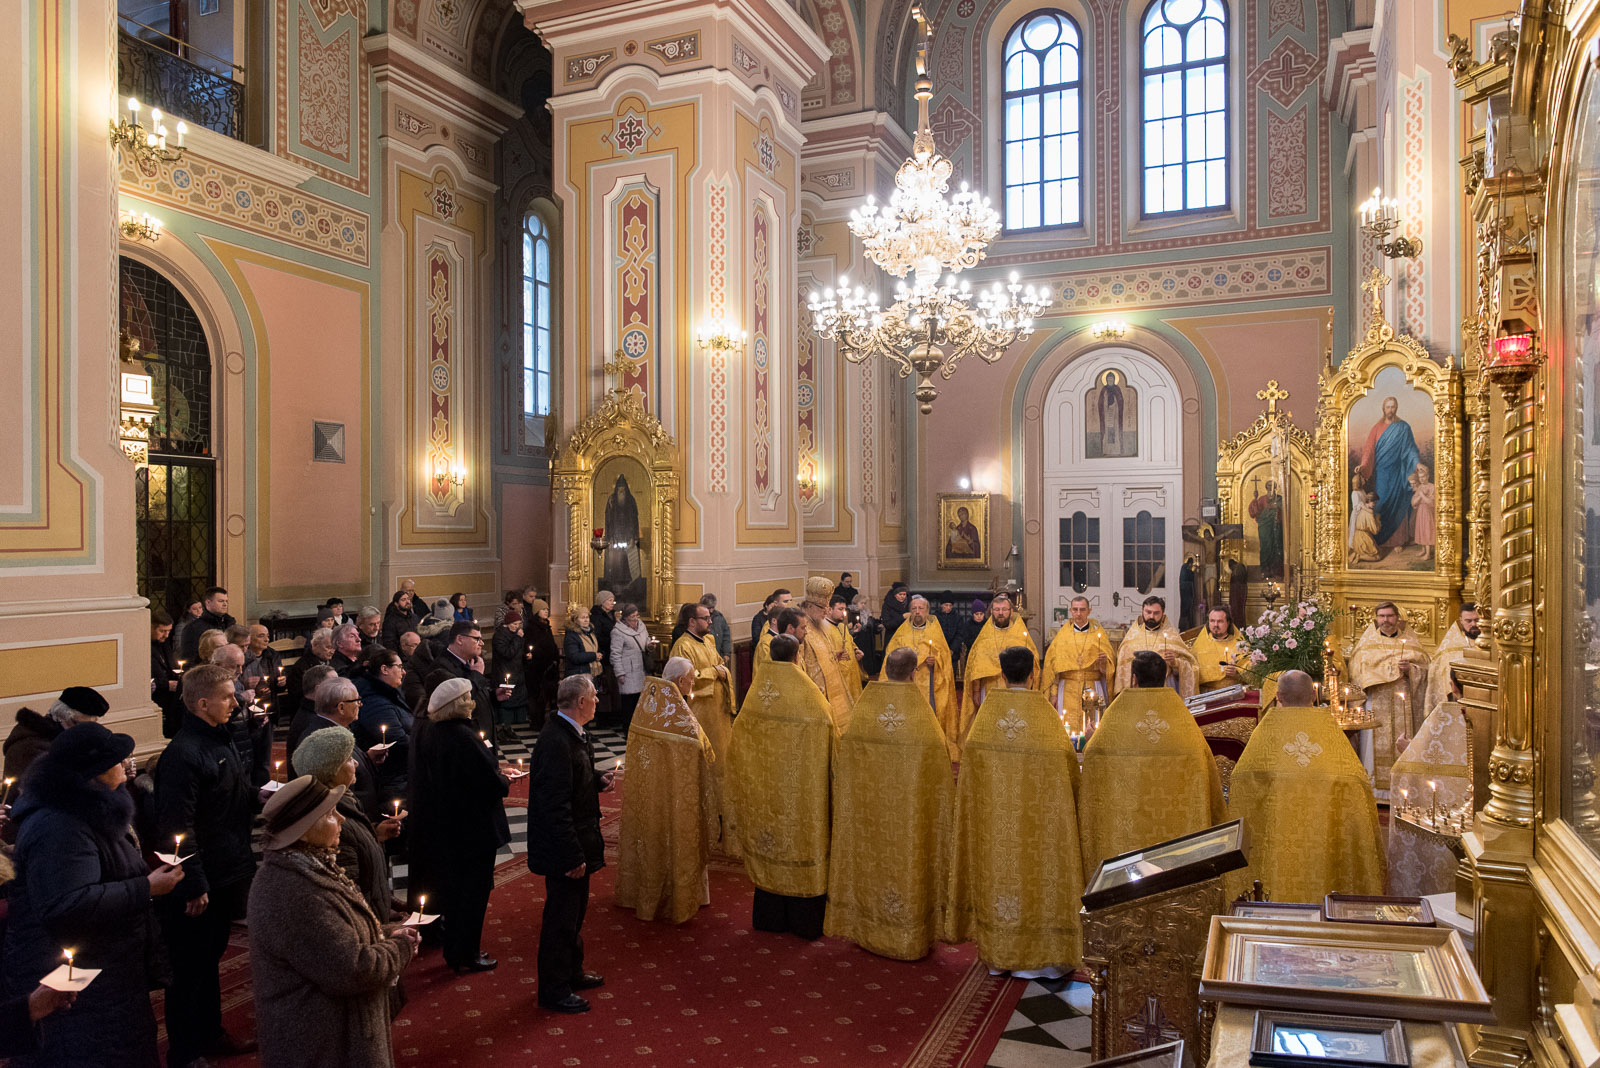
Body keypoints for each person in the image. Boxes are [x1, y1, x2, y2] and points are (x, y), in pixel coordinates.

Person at [2, 723, 185, 1067]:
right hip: (78, 983)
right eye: (118, 761)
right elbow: (67, 904)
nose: (126, 765)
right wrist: (146, 887)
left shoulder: (88, 809)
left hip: (106, 968)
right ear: (94, 774)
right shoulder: (60, 825)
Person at [248, 776, 419, 1068]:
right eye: (329, 814)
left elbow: (338, 935)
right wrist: (400, 947)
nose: (340, 818)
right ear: (303, 829)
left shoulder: (312, 866)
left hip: (335, 1032)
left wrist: (384, 933)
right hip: (322, 1043)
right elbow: (352, 970)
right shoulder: (293, 891)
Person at [947, 646, 1085, 977]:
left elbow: (969, 773)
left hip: (997, 824)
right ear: (1034, 673)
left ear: (1002, 673)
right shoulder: (1045, 718)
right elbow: (1069, 768)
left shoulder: (986, 720)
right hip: (1042, 824)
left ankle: (1001, 953)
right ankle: (1048, 959)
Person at [155, 663, 259, 1067]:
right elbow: (177, 827)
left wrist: (259, 798)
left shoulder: (219, 739)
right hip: (201, 877)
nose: (236, 702)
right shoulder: (183, 754)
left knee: (209, 959)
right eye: (228, 697)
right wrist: (192, 882)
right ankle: (185, 1051)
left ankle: (210, 1033)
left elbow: (230, 795)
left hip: (228, 865)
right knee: (189, 968)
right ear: (202, 703)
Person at [826, 648, 952, 960]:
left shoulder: (866, 709)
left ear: (887, 668)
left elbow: (848, 760)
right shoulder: (921, 715)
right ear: (913, 673)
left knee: (873, 860)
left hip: (872, 812)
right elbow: (939, 771)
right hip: (910, 815)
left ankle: (868, 929)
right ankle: (908, 935)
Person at [1225, 671, 1385, 903]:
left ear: (1278, 696)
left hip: (1278, 848)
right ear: (1313, 695)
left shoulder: (1267, 731)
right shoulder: (1330, 732)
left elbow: (1241, 781)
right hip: (1326, 847)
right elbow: (1357, 783)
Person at [1079, 651, 1226, 876]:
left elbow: (1095, 759)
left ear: (1134, 679)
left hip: (1127, 841)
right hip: (1177, 845)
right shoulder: (1181, 718)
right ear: (1165, 677)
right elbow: (1205, 764)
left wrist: (1090, 742)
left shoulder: (1119, 714)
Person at [730, 635, 832, 939]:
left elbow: (739, 738)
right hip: (803, 792)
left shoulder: (757, 692)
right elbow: (829, 733)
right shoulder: (808, 693)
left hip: (765, 791)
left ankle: (769, 918)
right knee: (801, 843)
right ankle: (804, 924)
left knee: (770, 843)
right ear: (797, 656)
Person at [408, 677, 510, 974]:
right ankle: (467, 953)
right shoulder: (464, 738)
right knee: (473, 893)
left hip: (450, 825)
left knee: (455, 892)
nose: (472, 703)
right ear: (456, 706)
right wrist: (503, 778)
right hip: (473, 827)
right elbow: (492, 783)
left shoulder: (433, 732)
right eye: (467, 699)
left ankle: (456, 949)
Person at [527, 675, 609, 1012]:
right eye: (593, 696)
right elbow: (555, 805)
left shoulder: (573, 735)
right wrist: (573, 855)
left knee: (575, 916)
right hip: (564, 849)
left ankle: (571, 971)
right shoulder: (556, 742)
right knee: (560, 920)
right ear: (579, 702)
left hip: (578, 841)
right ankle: (554, 989)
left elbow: (574, 784)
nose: (597, 701)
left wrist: (596, 782)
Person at [615, 660, 717, 924]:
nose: (693, 683)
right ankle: (676, 896)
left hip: (648, 792)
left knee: (650, 837)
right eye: (691, 679)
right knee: (675, 835)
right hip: (674, 794)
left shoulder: (649, 700)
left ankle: (641, 892)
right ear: (681, 681)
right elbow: (700, 747)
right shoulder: (676, 714)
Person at [291, 728, 406, 925]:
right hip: (362, 922)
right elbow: (349, 888)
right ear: (332, 770)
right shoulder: (331, 818)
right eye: (349, 759)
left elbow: (359, 853)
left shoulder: (346, 800)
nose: (356, 763)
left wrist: (375, 834)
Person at [669, 602, 739, 854]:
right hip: (700, 713)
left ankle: (722, 813)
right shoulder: (682, 646)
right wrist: (714, 672)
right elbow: (684, 681)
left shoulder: (709, 641)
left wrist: (719, 671)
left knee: (723, 763)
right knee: (708, 764)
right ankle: (707, 815)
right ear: (691, 622)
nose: (710, 622)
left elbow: (722, 666)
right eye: (705, 618)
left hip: (718, 711)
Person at [1348, 601, 1429, 799]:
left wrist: (1411, 670)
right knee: (1372, 748)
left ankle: (1404, 791)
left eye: (1390, 616)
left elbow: (1428, 673)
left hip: (1403, 704)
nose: (1386, 620)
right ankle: (1376, 792)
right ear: (1376, 619)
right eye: (1382, 616)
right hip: (1375, 702)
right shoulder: (1365, 647)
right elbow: (1356, 674)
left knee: (1403, 739)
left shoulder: (1412, 644)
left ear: (1397, 618)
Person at [289, 676, 384, 817]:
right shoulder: (324, 740)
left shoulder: (335, 730)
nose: (360, 704)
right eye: (356, 700)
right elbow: (336, 792)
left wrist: (366, 759)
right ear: (341, 707)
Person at [882, 595, 958, 757]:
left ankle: (929, 745)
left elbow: (945, 659)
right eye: (914, 609)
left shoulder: (935, 632)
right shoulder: (901, 633)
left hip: (929, 683)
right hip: (906, 685)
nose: (917, 612)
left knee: (928, 715)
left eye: (920, 609)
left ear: (927, 612)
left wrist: (935, 661)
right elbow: (890, 657)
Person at [958, 594, 1037, 748]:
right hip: (989, 689)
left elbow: (1033, 664)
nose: (1000, 613)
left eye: (1004, 610)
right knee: (992, 726)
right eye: (997, 610)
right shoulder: (984, 636)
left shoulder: (1021, 635)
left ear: (1011, 612)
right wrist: (975, 691)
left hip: (1016, 689)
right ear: (991, 612)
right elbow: (976, 664)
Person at [3, 687, 107, 791]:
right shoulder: (29, 747)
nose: (85, 731)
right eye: (79, 724)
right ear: (61, 717)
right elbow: (57, 789)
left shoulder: (69, 737)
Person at [1038, 596, 1114, 731]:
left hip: (1093, 686)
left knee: (1093, 728)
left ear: (1089, 611)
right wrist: (1054, 694)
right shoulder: (1062, 636)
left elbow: (1109, 669)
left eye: (1082, 610)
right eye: (1075, 610)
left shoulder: (1098, 634)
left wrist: (1103, 663)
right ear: (1070, 611)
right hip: (1067, 688)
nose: (1078, 614)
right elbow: (1054, 668)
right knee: (1067, 727)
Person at [422, 621, 505, 746]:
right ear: (460, 639)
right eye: (477, 639)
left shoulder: (468, 663)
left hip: (479, 734)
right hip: (464, 740)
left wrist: (493, 696)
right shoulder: (441, 667)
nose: (481, 643)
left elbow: (474, 695)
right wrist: (477, 674)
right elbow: (458, 702)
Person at [1357, 394, 1421, 548]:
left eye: (1393, 407)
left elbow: (1410, 449)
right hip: (1383, 473)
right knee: (1382, 502)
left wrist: (1417, 464)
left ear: (1396, 408)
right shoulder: (1376, 428)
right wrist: (1363, 465)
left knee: (1398, 503)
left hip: (1398, 472)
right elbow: (1369, 450)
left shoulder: (1403, 427)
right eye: (1388, 407)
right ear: (1383, 409)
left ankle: (1398, 541)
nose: (1390, 410)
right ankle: (1381, 539)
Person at [798, 576, 855, 733]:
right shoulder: (801, 629)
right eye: (822, 607)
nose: (827, 611)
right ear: (809, 606)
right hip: (817, 693)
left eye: (828, 606)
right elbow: (799, 663)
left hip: (834, 688)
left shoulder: (820, 626)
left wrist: (834, 656)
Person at [1112, 595, 1200, 697]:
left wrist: (1175, 663)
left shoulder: (1172, 637)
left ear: (1163, 614)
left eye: (1156, 613)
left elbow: (1191, 667)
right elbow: (1122, 668)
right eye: (1148, 612)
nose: (1151, 616)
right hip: (1137, 692)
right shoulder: (1132, 638)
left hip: (1164, 689)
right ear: (1142, 611)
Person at [353, 647, 413, 794]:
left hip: (400, 774)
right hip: (393, 777)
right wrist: (427, 742)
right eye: (399, 667)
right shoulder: (374, 700)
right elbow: (397, 740)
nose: (403, 672)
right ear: (384, 669)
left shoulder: (388, 692)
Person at [1423, 604, 1482, 724]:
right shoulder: (1450, 646)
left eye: (1476, 620)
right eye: (1468, 621)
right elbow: (1439, 674)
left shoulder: (1491, 643)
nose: (1473, 624)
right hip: (1456, 701)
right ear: (1460, 621)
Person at [609, 603, 652, 732]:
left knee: (640, 699)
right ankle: (628, 729)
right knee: (629, 701)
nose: (635, 619)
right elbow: (615, 654)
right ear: (625, 618)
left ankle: (639, 728)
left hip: (641, 669)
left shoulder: (641, 626)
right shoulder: (618, 631)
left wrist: (650, 645)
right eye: (632, 617)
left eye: (636, 616)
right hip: (628, 671)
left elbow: (646, 640)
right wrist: (620, 673)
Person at [1190, 607, 1245, 693]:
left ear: (1228, 622)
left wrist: (1237, 674)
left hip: (1233, 694)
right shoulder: (1201, 644)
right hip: (1206, 695)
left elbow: (1252, 671)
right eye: (1212, 621)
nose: (1215, 624)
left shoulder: (1239, 644)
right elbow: (1190, 671)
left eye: (1220, 621)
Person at [822, 592, 865, 702]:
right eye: (840, 609)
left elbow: (849, 642)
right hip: (838, 678)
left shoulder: (842, 626)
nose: (844, 612)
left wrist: (856, 650)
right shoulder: (823, 630)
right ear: (829, 610)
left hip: (852, 675)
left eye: (844, 609)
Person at [524, 600, 560, 728]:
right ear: (537, 611)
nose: (547, 611)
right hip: (538, 668)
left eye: (547, 609)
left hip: (549, 667)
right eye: (543, 609)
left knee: (550, 696)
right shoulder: (532, 628)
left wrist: (555, 658)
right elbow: (535, 647)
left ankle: (550, 721)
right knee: (538, 697)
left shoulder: (547, 626)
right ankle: (537, 722)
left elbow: (551, 646)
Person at [492, 609, 529, 726]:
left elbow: (517, 652)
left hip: (518, 673)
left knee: (519, 703)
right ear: (507, 624)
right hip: (505, 673)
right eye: (514, 624)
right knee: (508, 700)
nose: (517, 627)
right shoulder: (499, 636)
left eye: (519, 624)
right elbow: (507, 653)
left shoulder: (515, 635)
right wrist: (518, 638)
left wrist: (525, 656)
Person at [285, 627, 335, 714]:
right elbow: (297, 697)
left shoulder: (335, 662)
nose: (332, 651)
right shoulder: (301, 667)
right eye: (328, 647)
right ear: (315, 644)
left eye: (334, 647)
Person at [179, 586, 235, 663]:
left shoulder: (230, 624)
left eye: (226, 601)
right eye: (221, 601)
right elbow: (189, 659)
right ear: (208, 602)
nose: (225, 604)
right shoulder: (193, 628)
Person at [152, 610, 186, 737]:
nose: (166, 635)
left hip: (171, 700)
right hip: (157, 696)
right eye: (162, 631)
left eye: (168, 631)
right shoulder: (146, 646)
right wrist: (165, 684)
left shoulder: (165, 644)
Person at [562, 605, 604, 681]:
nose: (586, 620)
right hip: (578, 673)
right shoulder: (572, 635)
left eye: (587, 617)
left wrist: (600, 654)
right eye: (582, 618)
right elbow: (574, 656)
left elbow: (597, 649)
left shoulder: (591, 633)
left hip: (591, 673)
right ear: (576, 620)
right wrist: (594, 656)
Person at [1348, 490, 1382, 566]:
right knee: (1378, 557)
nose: (1375, 505)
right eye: (1374, 502)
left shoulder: (1361, 509)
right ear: (1369, 501)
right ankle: (1360, 557)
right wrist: (1377, 520)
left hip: (1356, 538)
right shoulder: (1370, 513)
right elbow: (1375, 531)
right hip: (1364, 538)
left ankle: (1356, 553)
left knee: (1375, 550)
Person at [1412, 464, 1437, 562]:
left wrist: (1422, 495)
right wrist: (1420, 496)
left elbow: (1431, 502)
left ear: (1427, 476)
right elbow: (1413, 502)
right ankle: (1423, 549)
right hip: (1420, 511)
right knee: (1421, 530)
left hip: (1428, 512)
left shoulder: (1432, 487)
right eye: (1420, 477)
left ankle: (1428, 554)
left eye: (1423, 477)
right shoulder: (1419, 487)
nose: (1421, 479)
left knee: (1427, 531)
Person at [170, 598, 204, 665]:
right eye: (194, 609)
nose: (198, 611)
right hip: (187, 659)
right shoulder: (183, 625)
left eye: (200, 608)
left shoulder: (204, 622)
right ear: (188, 610)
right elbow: (179, 645)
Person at [701, 593, 734, 660]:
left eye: (712, 607)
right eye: (708, 608)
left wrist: (726, 653)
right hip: (705, 656)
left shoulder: (719, 617)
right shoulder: (699, 618)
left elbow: (726, 635)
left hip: (719, 655)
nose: (711, 610)